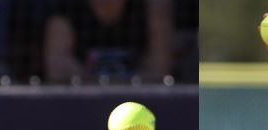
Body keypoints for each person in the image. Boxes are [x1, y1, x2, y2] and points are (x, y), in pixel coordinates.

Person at [43, 0, 173, 83]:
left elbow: (159, 69)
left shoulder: (151, 10)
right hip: (84, 105)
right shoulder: (66, 12)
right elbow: (58, 72)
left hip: (142, 103)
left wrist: (127, 90)